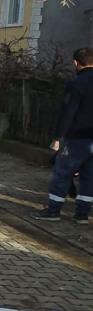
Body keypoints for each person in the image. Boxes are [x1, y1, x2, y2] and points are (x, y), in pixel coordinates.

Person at [31, 47, 93, 224]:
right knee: (89, 177)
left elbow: (68, 112)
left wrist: (58, 137)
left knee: (63, 173)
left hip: (77, 138)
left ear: (75, 62)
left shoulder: (76, 84)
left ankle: (54, 210)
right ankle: (82, 214)